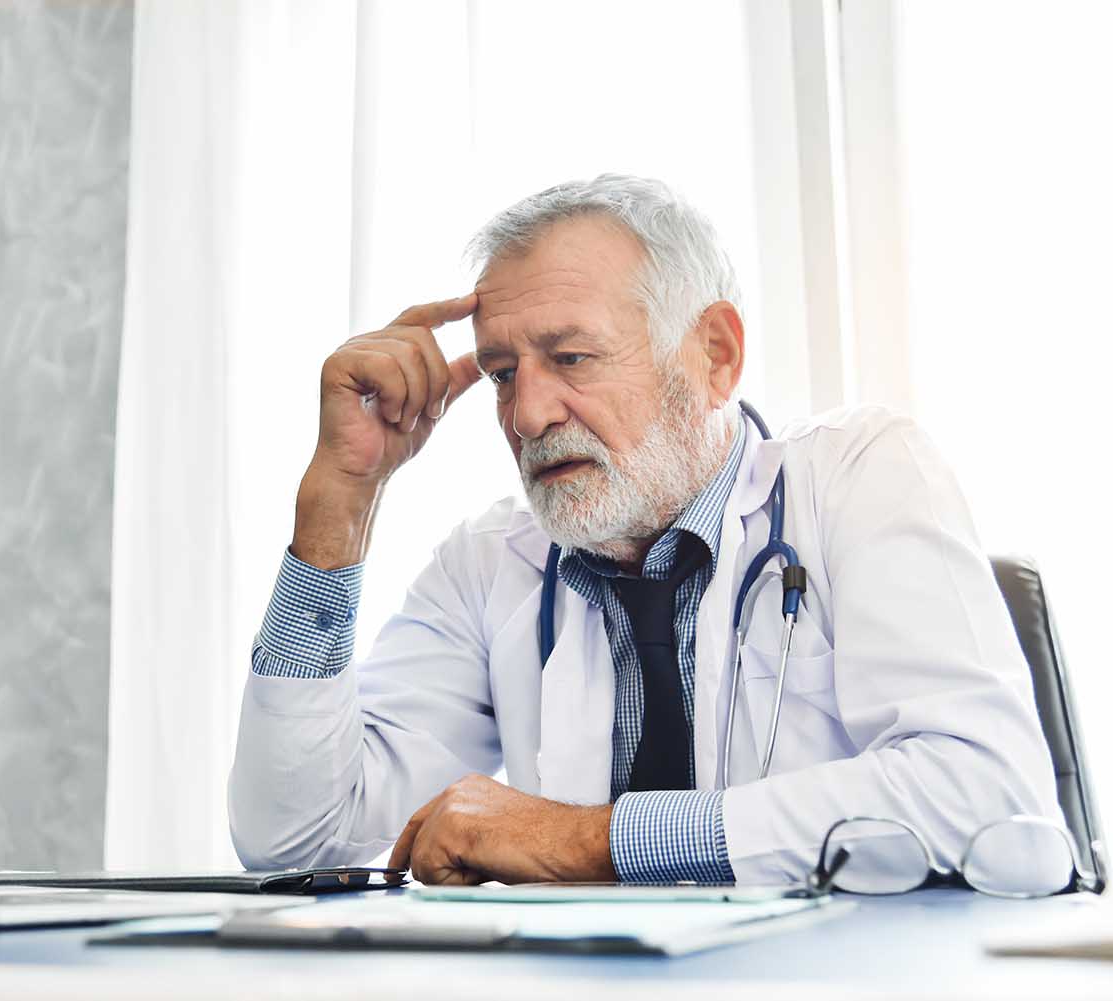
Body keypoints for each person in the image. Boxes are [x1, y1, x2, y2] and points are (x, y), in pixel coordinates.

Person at [227, 173, 1059, 886]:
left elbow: (988, 799)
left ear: (715, 356)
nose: (529, 411)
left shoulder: (860, 479)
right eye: (503, 374)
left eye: (573, 358)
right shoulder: (489, 565)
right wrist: (341, 497)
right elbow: (296, 838)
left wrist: (585, 840)